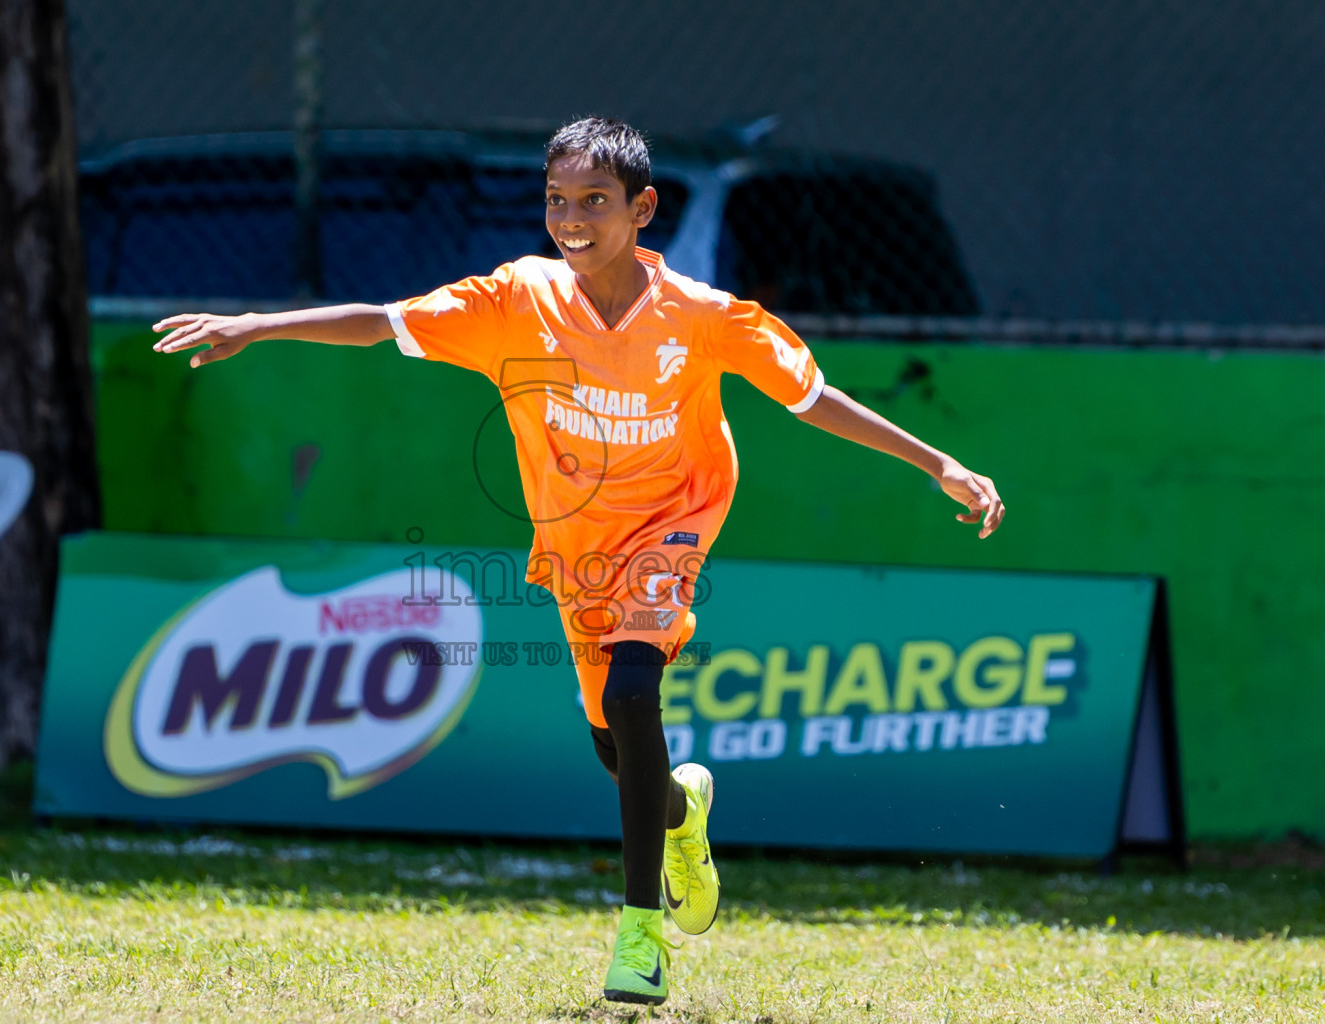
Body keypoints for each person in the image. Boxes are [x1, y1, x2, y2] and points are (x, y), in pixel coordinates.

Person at [153, 117, 1005, 1006]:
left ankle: (639, 939)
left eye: (593, 201)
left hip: (676, 523)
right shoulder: (514, 299)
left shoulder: (704, 317)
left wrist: (938, 462)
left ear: (642, 208)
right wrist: (257, 325)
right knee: (617, 746)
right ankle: (682, 812)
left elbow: (811, 396)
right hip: (576, 549)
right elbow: (384, 323)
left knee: (638, 693)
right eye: (557, 200)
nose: (571, 218)